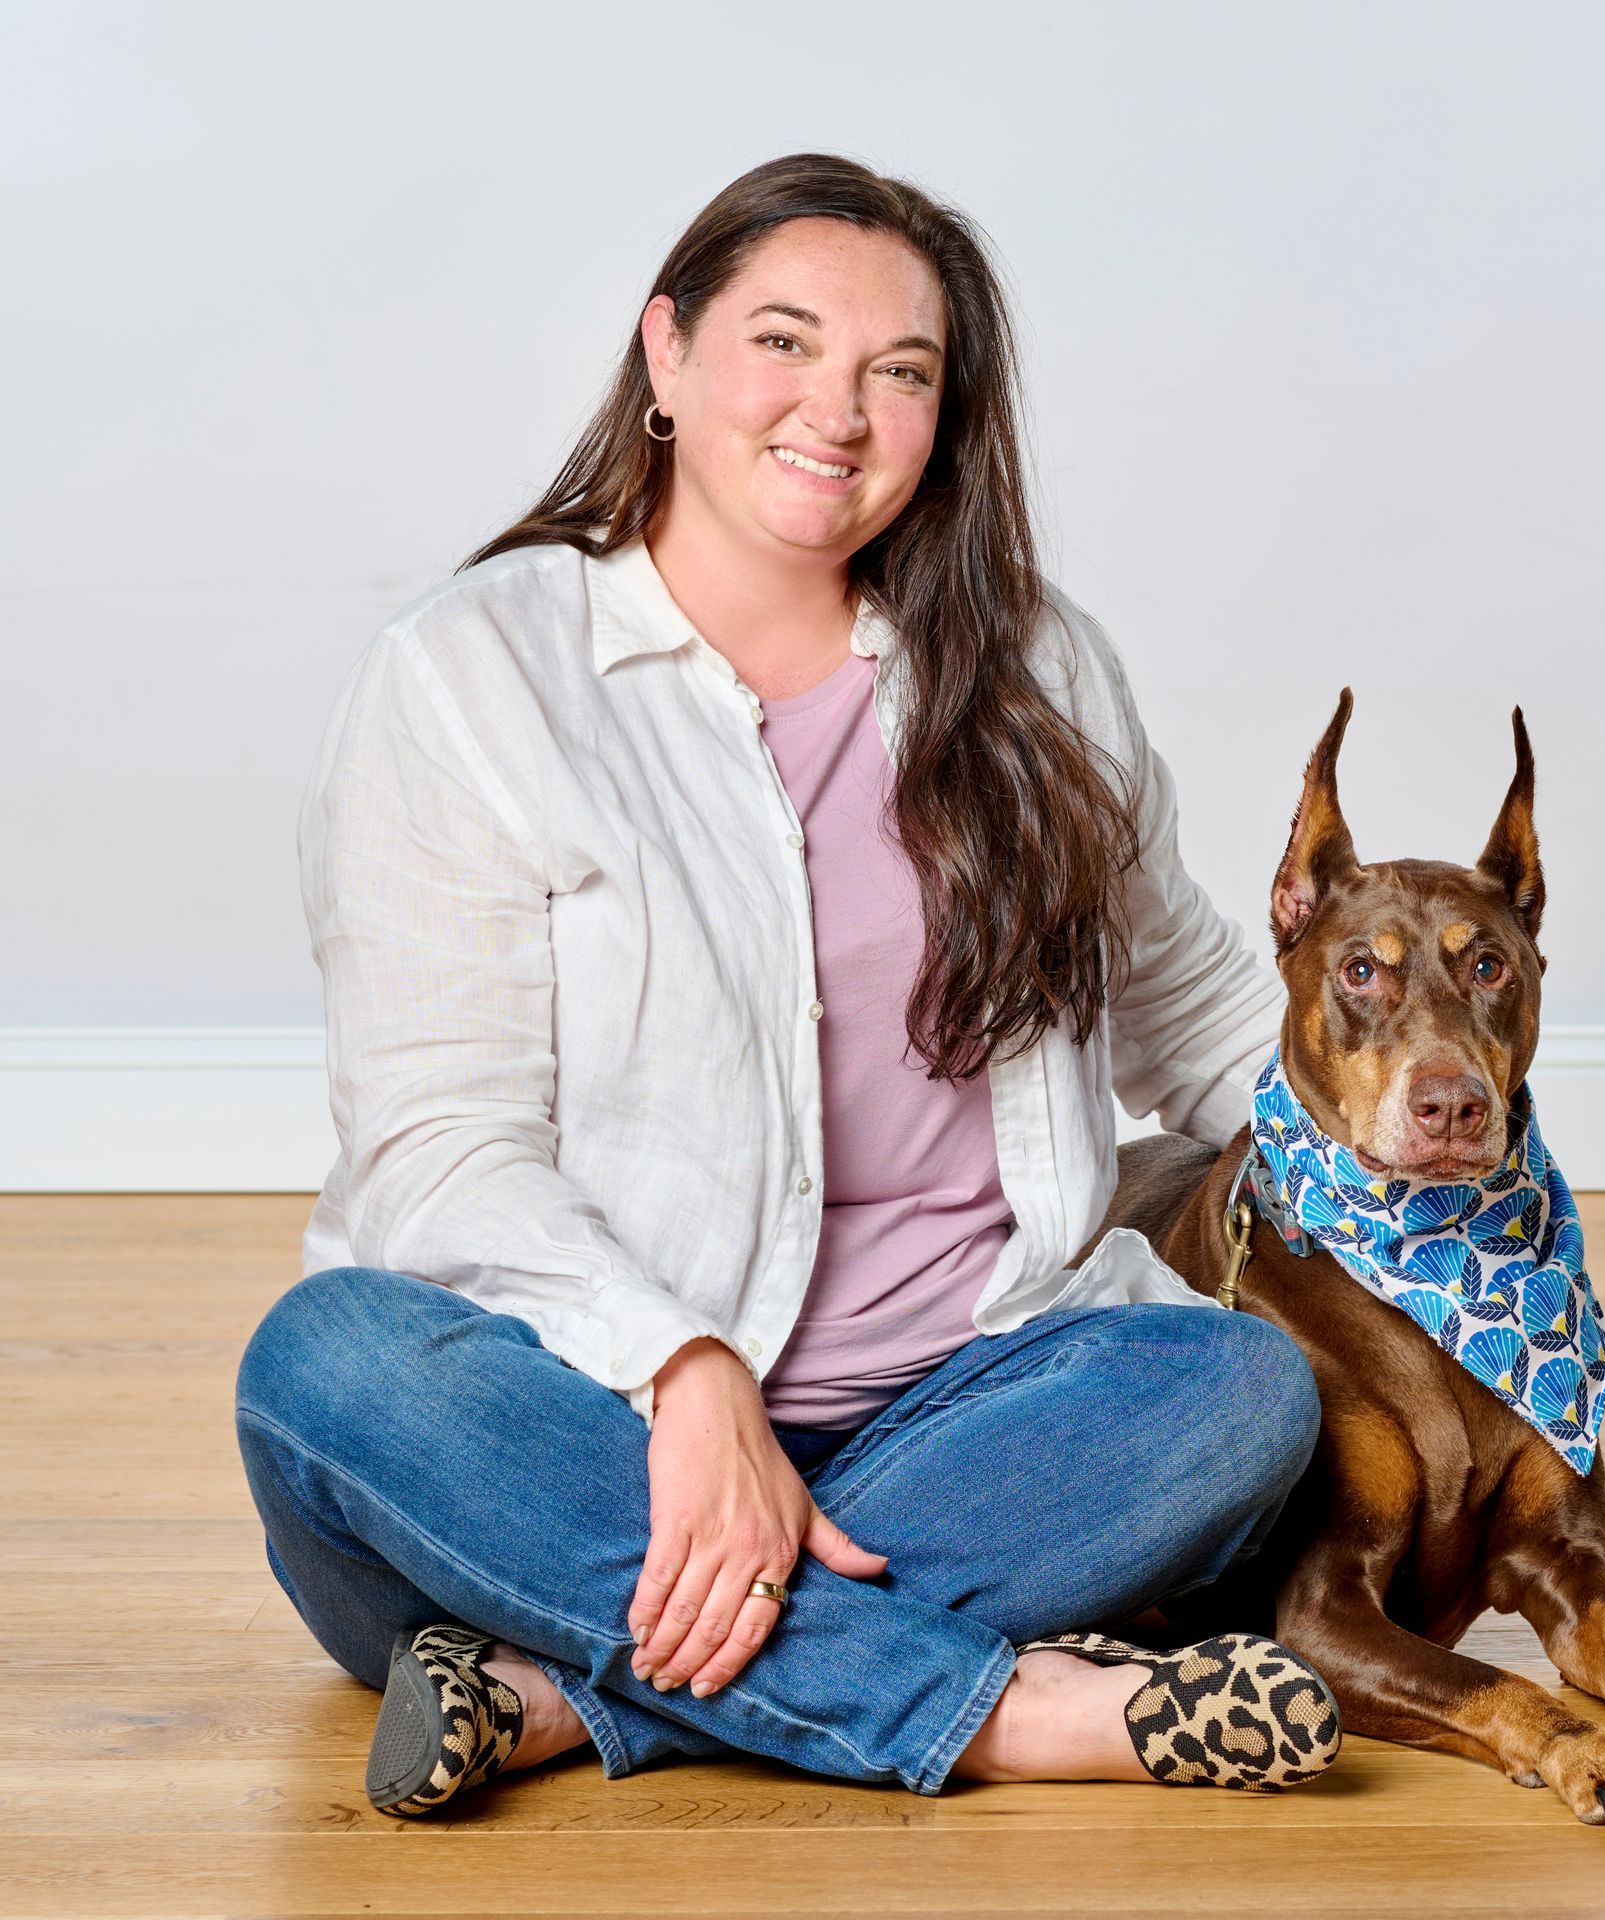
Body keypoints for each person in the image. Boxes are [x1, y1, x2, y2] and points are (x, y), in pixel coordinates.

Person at [234, 151, 1335, 1813]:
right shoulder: (470, 676)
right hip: (579, 1449)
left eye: (903, 373)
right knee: (325, 1368)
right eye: (786, 344)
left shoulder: (1041, 668)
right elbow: (435, 1150)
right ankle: (1007, 1709)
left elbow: (1197, 1010)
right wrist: (687, 1380)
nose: (841, 409)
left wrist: (1447, 1168)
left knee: (1239, 1393)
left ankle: (564, 1697)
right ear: (666, 356)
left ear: (944, 423)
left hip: (969, 1429)